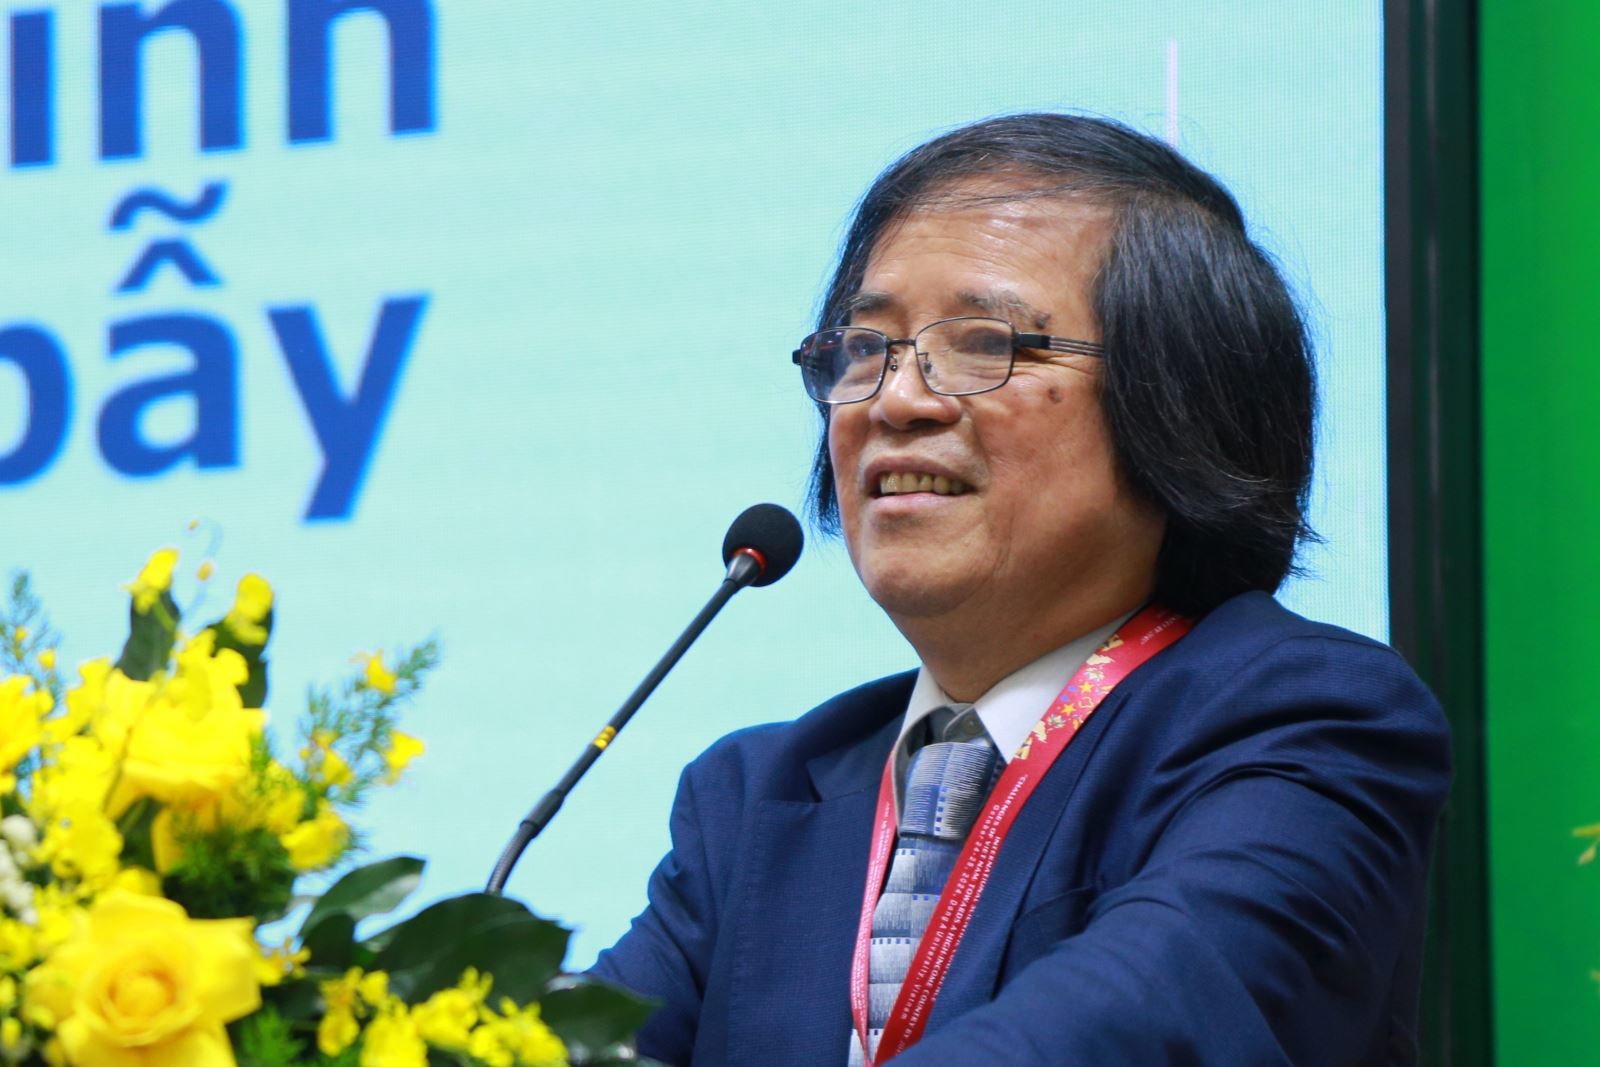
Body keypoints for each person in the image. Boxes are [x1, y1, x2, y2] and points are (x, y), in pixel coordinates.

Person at [590, 113, 1451, 1066]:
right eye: (866, 347)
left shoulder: (1307, 723)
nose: (896, 400)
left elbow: (1140, 1027)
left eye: (982, 342)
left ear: (1180, 400)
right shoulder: (760, 796)